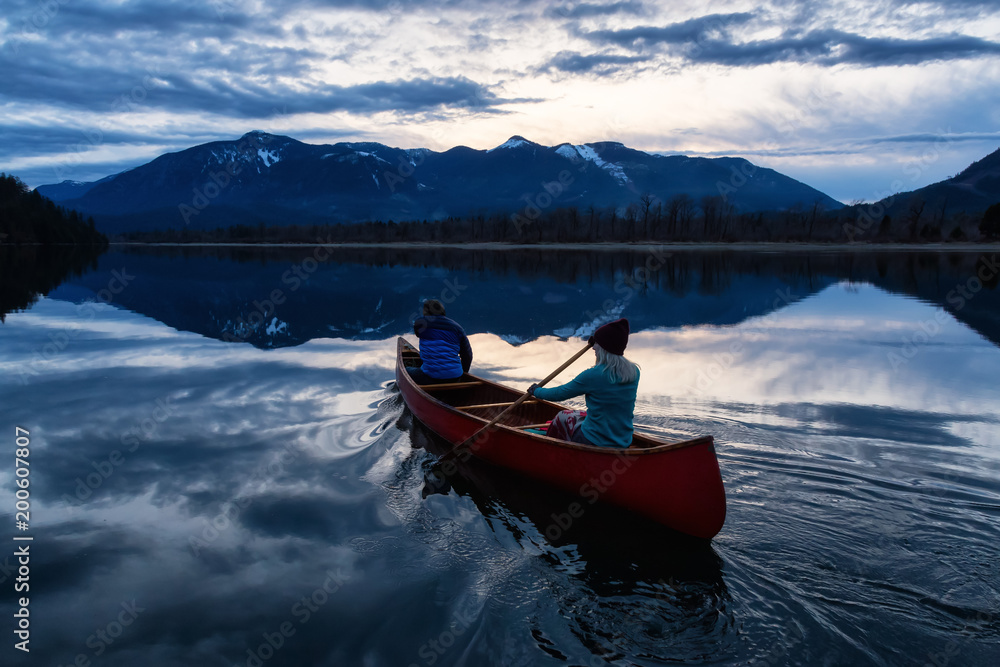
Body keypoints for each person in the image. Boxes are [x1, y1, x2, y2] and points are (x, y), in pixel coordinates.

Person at [528, 318, 639, 448]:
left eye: (597, 345)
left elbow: (559, 394)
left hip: (593, 440)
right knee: (579, 414)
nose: (594, 348)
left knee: (562, 416)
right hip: (623, 440)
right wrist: (598, 340)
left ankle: (549, 447)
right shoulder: (634, 372)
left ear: (603, 347)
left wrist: (537, 391)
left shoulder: (593, 375)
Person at [408, 299, 473, 384]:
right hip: (455, 377)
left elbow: (417, 334)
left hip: (430, 377)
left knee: (407, 370)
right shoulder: (458, 328)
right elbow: (468, 356)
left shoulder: (420, 324)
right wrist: (464, 374)